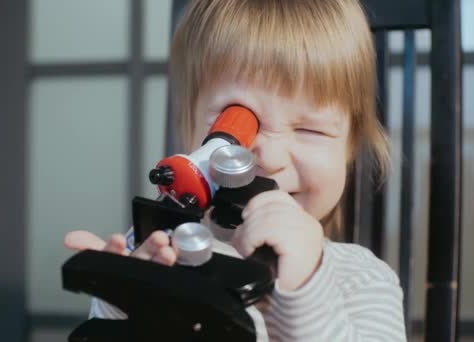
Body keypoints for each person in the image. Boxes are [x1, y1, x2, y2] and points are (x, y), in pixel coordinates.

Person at [64, 0, 406, 340]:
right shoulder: (157, 247)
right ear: (189, 130)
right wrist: (123, 295)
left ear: (348, 148)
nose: (269, 158)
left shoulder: (361, 279)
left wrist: (304, 290)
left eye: (310, 130)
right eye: (238, 126)